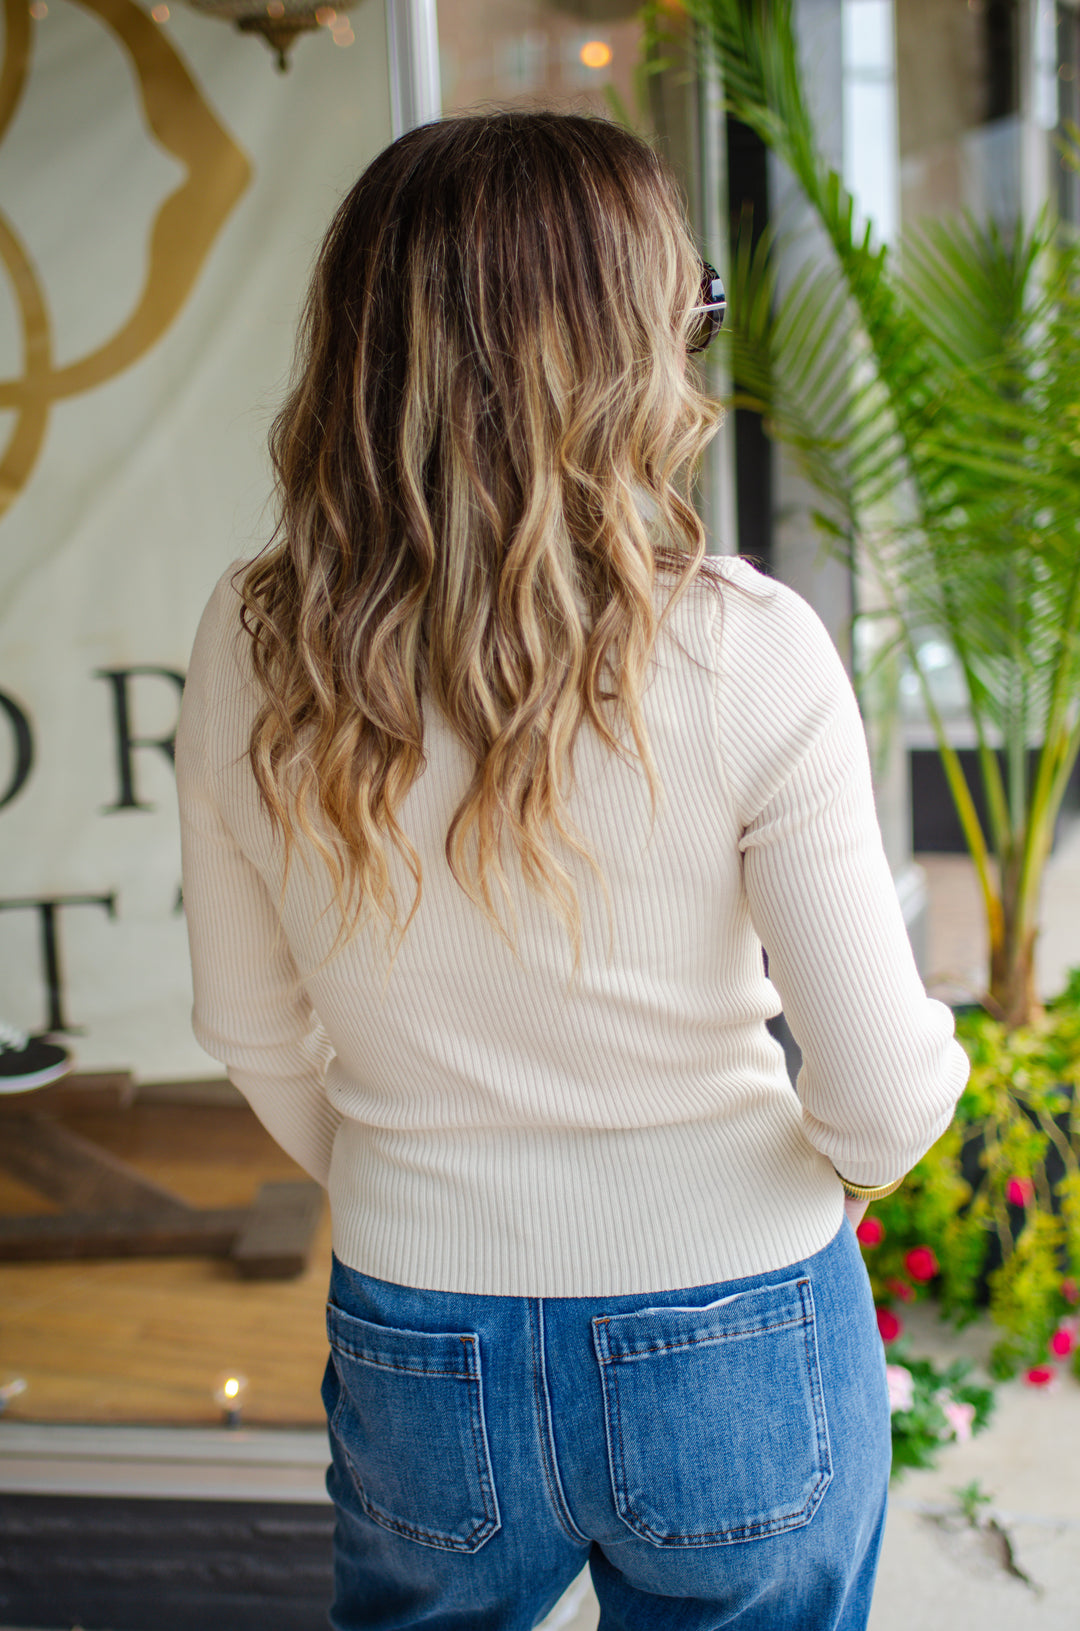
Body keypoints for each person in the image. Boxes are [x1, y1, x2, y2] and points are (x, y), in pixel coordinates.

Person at [176, 111, 969, 1631]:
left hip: (419, 1326)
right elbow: (881, 1094)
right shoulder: (747, 649)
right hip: (736, 1313)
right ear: (626, 355)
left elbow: (252, 1030)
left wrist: (429, 1191)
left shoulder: (255, 641)